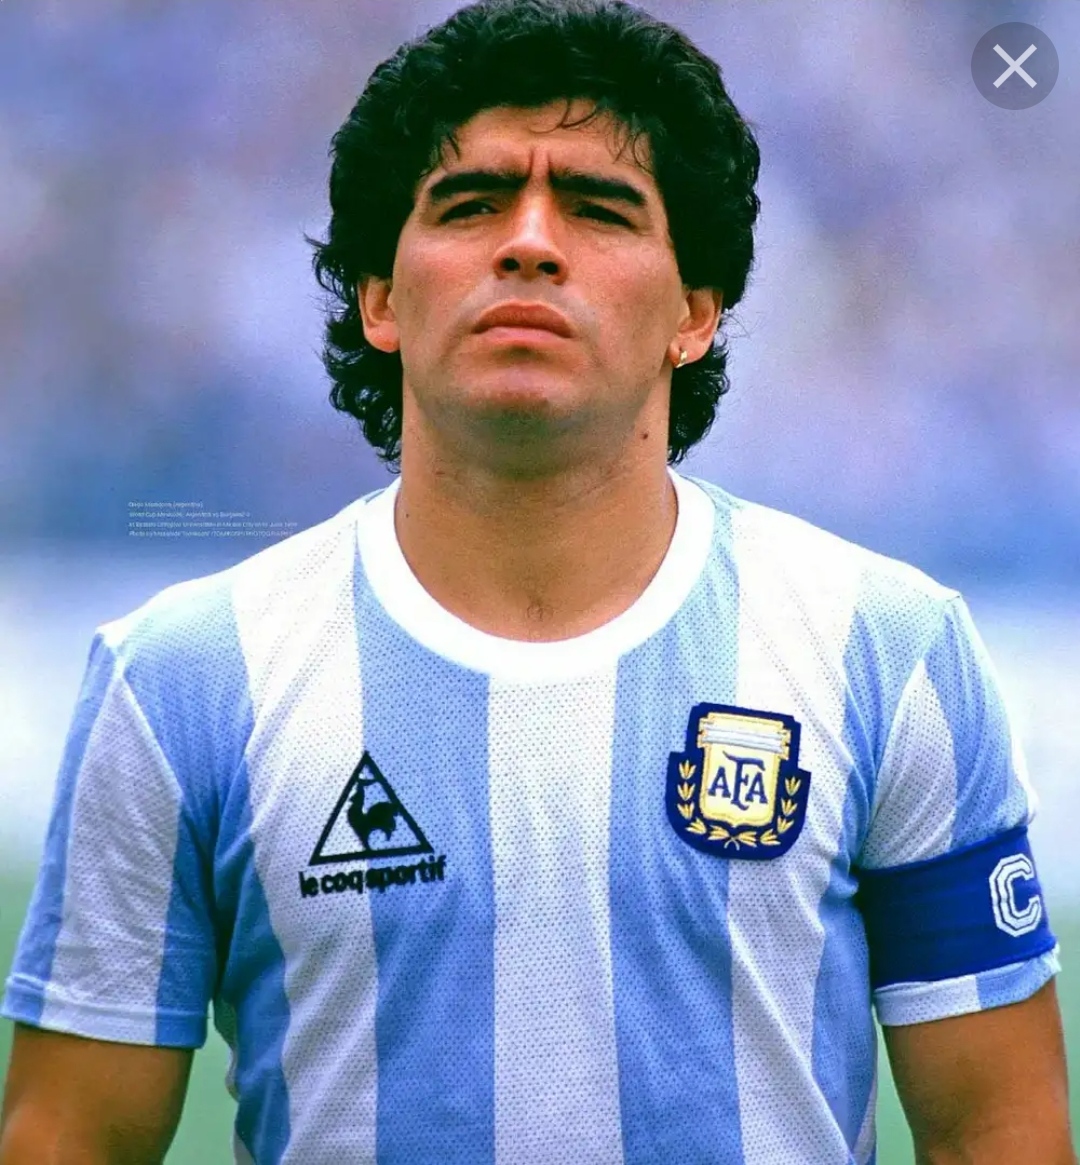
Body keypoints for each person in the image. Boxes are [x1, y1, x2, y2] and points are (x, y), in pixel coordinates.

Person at [0, 0, 1074, 1161]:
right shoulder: (183, 678)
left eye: (599, 208)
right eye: (469, 203)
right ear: (379, 299)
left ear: (695, 314)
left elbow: (998, 1130)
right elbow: (70, 1138)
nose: (528, 242)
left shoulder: (889, 651)